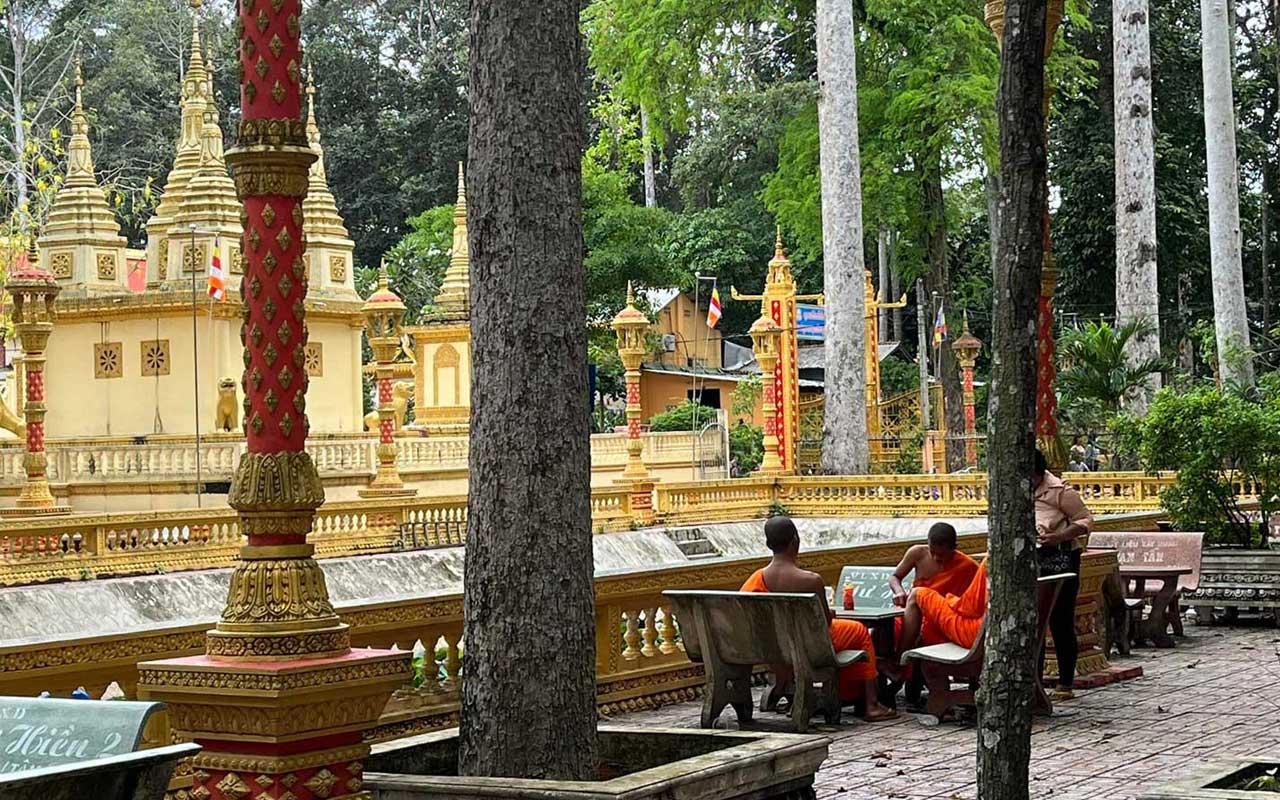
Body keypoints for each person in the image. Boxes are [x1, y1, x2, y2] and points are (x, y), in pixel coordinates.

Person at [741, 516, 897, 722]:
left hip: (774, 649)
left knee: (847, 632)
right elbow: (824, 623)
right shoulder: (810, 580)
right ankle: (871, 704)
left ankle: (817, 696)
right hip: (810, 645)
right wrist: (829, 612)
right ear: (795, 540)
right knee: (859, 631)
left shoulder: (754, 580)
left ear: (769, 544)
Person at [888, 522, 980, 704]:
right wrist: (899, 591)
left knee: (923, 636)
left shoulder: (967, 566)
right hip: (911, 615)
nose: (937, 558)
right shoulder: (917, 553)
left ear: (954, 549)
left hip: (938, 619)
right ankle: (887, 679)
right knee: (886, 631)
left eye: (942, 555)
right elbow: (894, 576)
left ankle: (901, 665)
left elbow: (969, 601)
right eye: (933, 552)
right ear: (927, 544)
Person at [1035, 448, 1095, 701]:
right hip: (1032, 559)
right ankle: (1034, 681)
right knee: (1033, 622)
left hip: (1061, 558)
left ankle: (1065, 682)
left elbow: (1086, 521)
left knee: (1060, 619)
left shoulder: (1060, 491)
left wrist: (1059, 536)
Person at [898, 556, 989, 654]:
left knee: (917, 594)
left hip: (976, 633)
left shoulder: (982, 562)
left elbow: (970, 608)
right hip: (986, 630)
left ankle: (899, 659)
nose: (936, 558)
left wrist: (952, 601)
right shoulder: (918, 554)